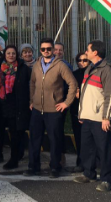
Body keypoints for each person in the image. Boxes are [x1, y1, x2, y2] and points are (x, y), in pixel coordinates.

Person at [24, 37, 77, 178]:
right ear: (40, 50)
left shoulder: (60, 65)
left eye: (49, 49)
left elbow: (73, 84)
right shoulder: (37, 64)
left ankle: (55, 167)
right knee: (34, 139)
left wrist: (66, 102)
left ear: (53, 50)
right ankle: (33, 167)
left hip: (54, 110)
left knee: (55, 140)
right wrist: (32, 99)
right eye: (43, 49)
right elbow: (32, 83)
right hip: (36, 109)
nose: (46, 51)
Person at [74, 40, 111, 192]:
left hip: (99, 118)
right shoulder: (89, 69)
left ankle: (108, 179)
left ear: (95, 53)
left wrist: (106, 117)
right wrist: (81, 113)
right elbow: (84, 94)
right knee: (88, 148)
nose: (86, 52)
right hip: (87, 117)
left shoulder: (106, 70)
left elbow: (110, 95)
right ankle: (89, 173)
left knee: (104, 149)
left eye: (88, 50)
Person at [0, 44, 31, 169]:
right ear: (5, 55)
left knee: (15, 133)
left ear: (17, 55)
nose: (11, 55)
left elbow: (31, 86)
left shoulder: (23, 68)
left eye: (13, 53)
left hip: (16, 106)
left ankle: (14, 159)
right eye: (9, 53)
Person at [70, 52, 90, 172]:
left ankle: (91, 162)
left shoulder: (93, 74)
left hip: (90, 111)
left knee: (89, 139)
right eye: (79, 60)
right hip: (76, 110)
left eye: (85, 60)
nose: (82, 62)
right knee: (78, 138)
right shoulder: (74, 75)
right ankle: (80, 161)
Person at [54, 41, 73, 166]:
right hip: (46, 103)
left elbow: (70, 84)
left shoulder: (66, 65)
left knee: (58, 129)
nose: (58, 52)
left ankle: (61, 155)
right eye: (55, 50)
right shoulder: (44, 64)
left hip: (60, 102)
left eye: (60, 50)